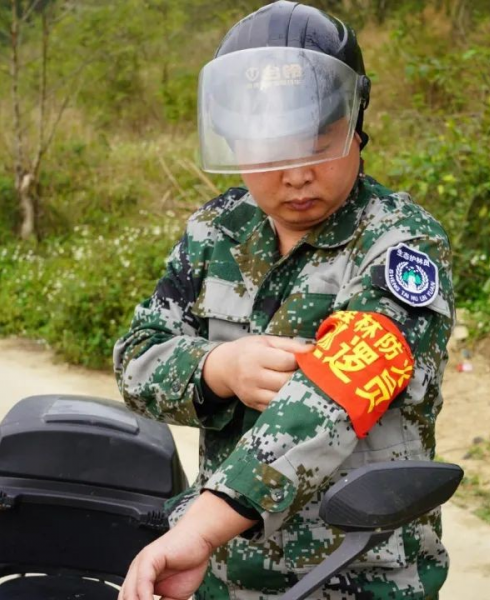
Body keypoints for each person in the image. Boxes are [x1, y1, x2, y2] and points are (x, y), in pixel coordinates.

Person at [112, 2, 455, 598]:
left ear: (354, 125)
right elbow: (136, 357)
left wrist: (201, 525)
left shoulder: (399, 241)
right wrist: (217, 368)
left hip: (357, 572)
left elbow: (340, 389)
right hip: (224, 575)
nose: (296, 173)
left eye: (318, 141)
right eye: (269, 148)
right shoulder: (215, 232)